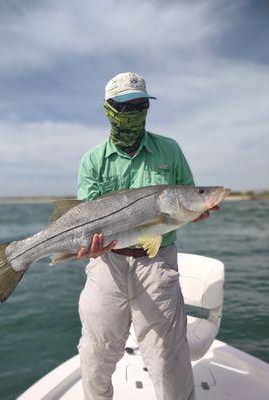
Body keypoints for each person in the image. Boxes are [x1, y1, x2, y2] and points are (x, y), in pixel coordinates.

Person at [76, 72, 217, 400]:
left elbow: (185, 200)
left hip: (158, 262)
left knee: (168, 359)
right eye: (123, 106)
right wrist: (87, 246)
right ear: (108, 109)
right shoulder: (92, 161)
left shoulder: (170, 149)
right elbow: (86, 219)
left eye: (139, 104)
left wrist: (198, 208)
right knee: (95, 357)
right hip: (107, 265)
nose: (132, 112)